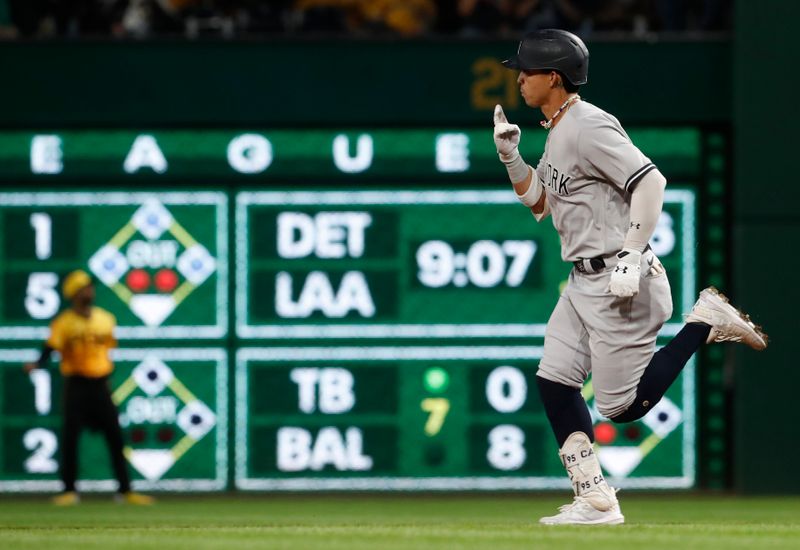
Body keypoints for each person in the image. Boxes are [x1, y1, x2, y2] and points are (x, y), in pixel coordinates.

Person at [493, 29, 767, 525]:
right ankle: (595, 498)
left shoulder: (588, 125)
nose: (520, 79)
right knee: (555, 382)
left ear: (552, 77)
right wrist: (512, 158)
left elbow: (651, 181)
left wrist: (631, 252)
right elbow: (539, 204)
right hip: (583, 282)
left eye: (527, 71)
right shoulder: (559, 129)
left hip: (621, 281)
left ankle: (704, 322)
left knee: (623, 409)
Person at [24, 270, 153, 506]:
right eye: (84, 287)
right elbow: (50, 347)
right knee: (70, 439)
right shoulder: (64, 322)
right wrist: (37, 363)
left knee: (116, 437)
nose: (90, 291)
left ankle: (125, 490)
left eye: (90, 287)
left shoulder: (105, 319)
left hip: (100, 384)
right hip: (76, 386)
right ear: (74, 293)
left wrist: (108, 380)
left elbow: (106, 352)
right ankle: (69, 490)